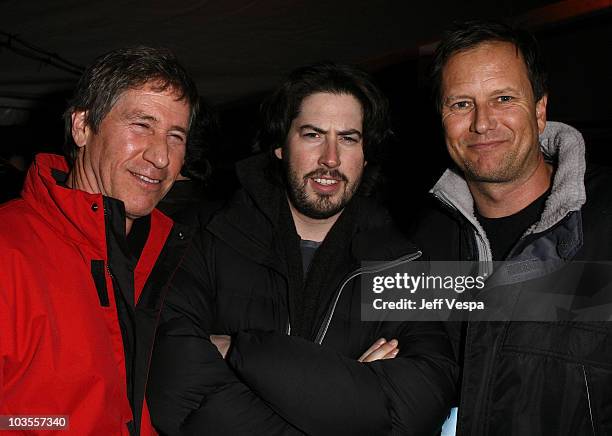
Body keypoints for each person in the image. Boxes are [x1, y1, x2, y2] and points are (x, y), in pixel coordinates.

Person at [148, 62, 458, 435]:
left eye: (348, 138)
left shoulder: (402, 264)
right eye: (312, 135)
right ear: (281, 146)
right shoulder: (203, 236)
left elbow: (416, 407)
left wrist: (238, 351)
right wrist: (349, 388)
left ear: (365, 154)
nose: (330, 157)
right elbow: (177, 390)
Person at [410, 21, 612, 435]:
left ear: (539, 111)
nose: (483, 123)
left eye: (503, 98)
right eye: (461, 104)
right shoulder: (421, 247)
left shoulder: (606, 223)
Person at [0, 46, 201, 435]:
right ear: (82, 127)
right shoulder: (8, 250)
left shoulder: (169, 255)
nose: (161, 156)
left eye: (176, 136)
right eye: (142, 125)